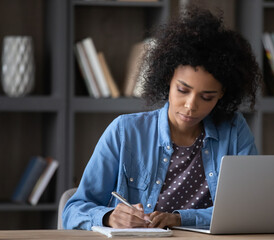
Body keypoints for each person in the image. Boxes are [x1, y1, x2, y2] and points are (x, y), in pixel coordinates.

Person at [62, 6, 262, 230]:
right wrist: (108, 217)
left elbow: (249, 208)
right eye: (183, 90)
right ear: (168, 78)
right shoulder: (125, 131)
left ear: (222, 94)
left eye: (206, 97)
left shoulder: (234, 130)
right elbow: (72, 210)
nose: (190, 106)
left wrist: (180, 218)